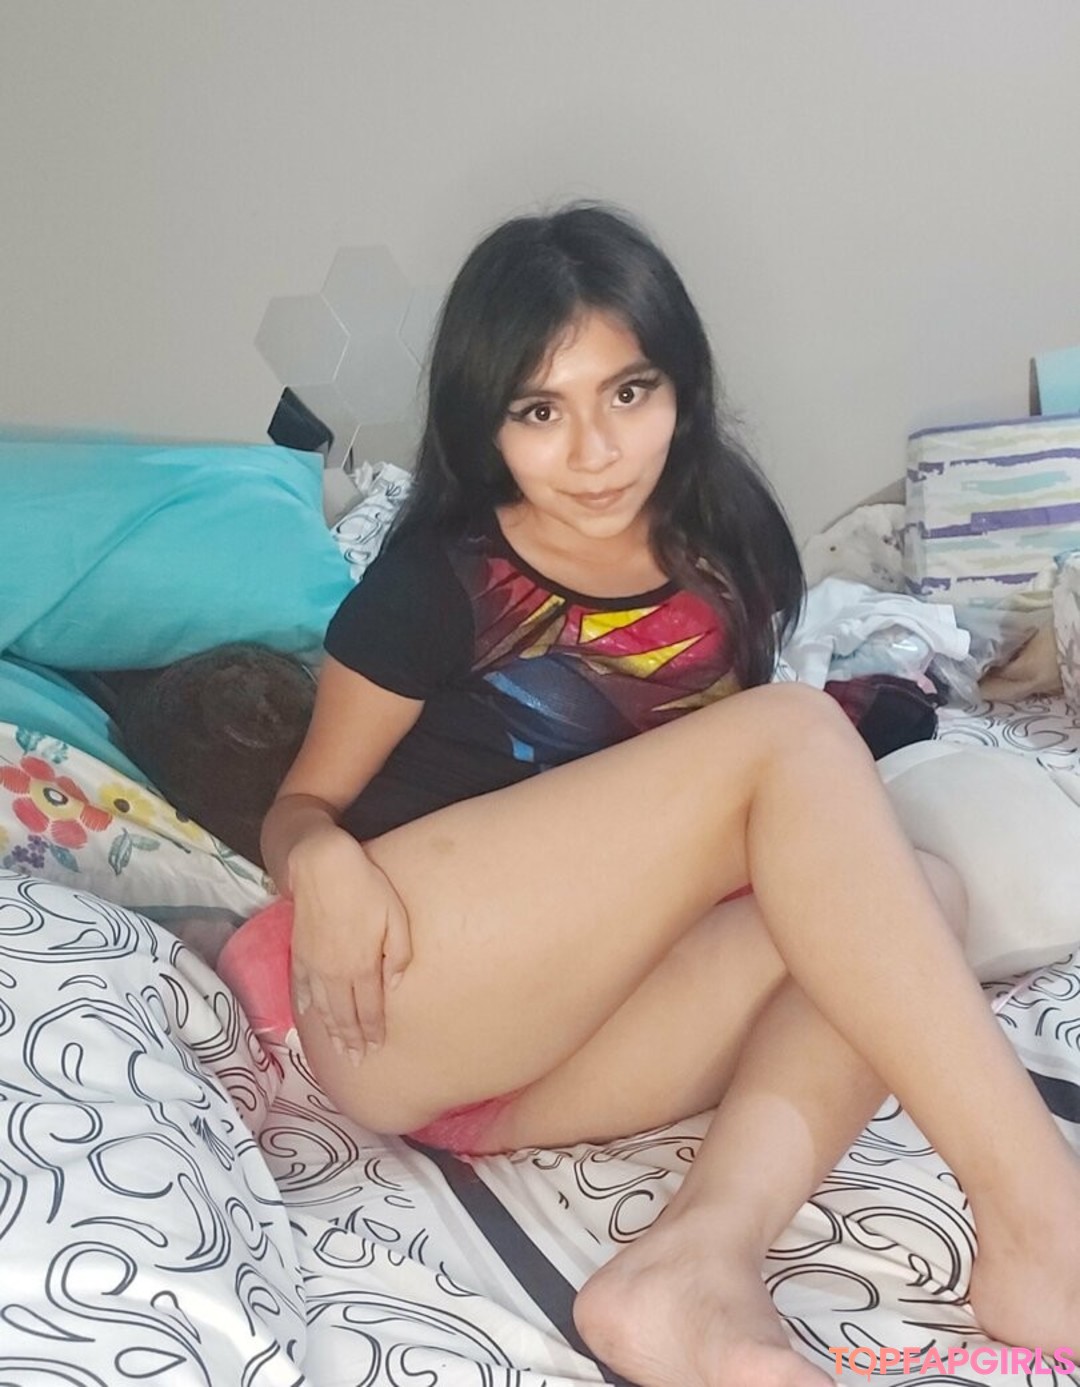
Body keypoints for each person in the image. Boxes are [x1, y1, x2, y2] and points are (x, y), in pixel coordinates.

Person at [222, 205, 1080, 1387]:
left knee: (918, 894)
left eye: (628, 393)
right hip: (407, 1005)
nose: (596, 452)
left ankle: (695, 1266)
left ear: (682, 385)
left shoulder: (730, 547)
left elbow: (721, 819)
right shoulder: (436, 586)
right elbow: (302, 803)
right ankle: (1047, 1222)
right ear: (486, 425)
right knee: (790, 735)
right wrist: (316, 856)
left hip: (567, 1053)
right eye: (540, 411)